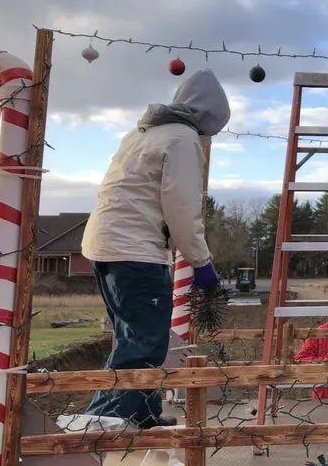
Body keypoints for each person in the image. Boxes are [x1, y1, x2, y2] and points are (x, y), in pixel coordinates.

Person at [80, 70, 230, 429]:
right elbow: (180, 206)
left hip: (106, 245)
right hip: (135, 251)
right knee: (143, 343)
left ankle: (142, 414)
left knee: (135, 335)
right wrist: (201, 262)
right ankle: (102, 425)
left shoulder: (141, 133)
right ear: (208, 118)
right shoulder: (183, 139)